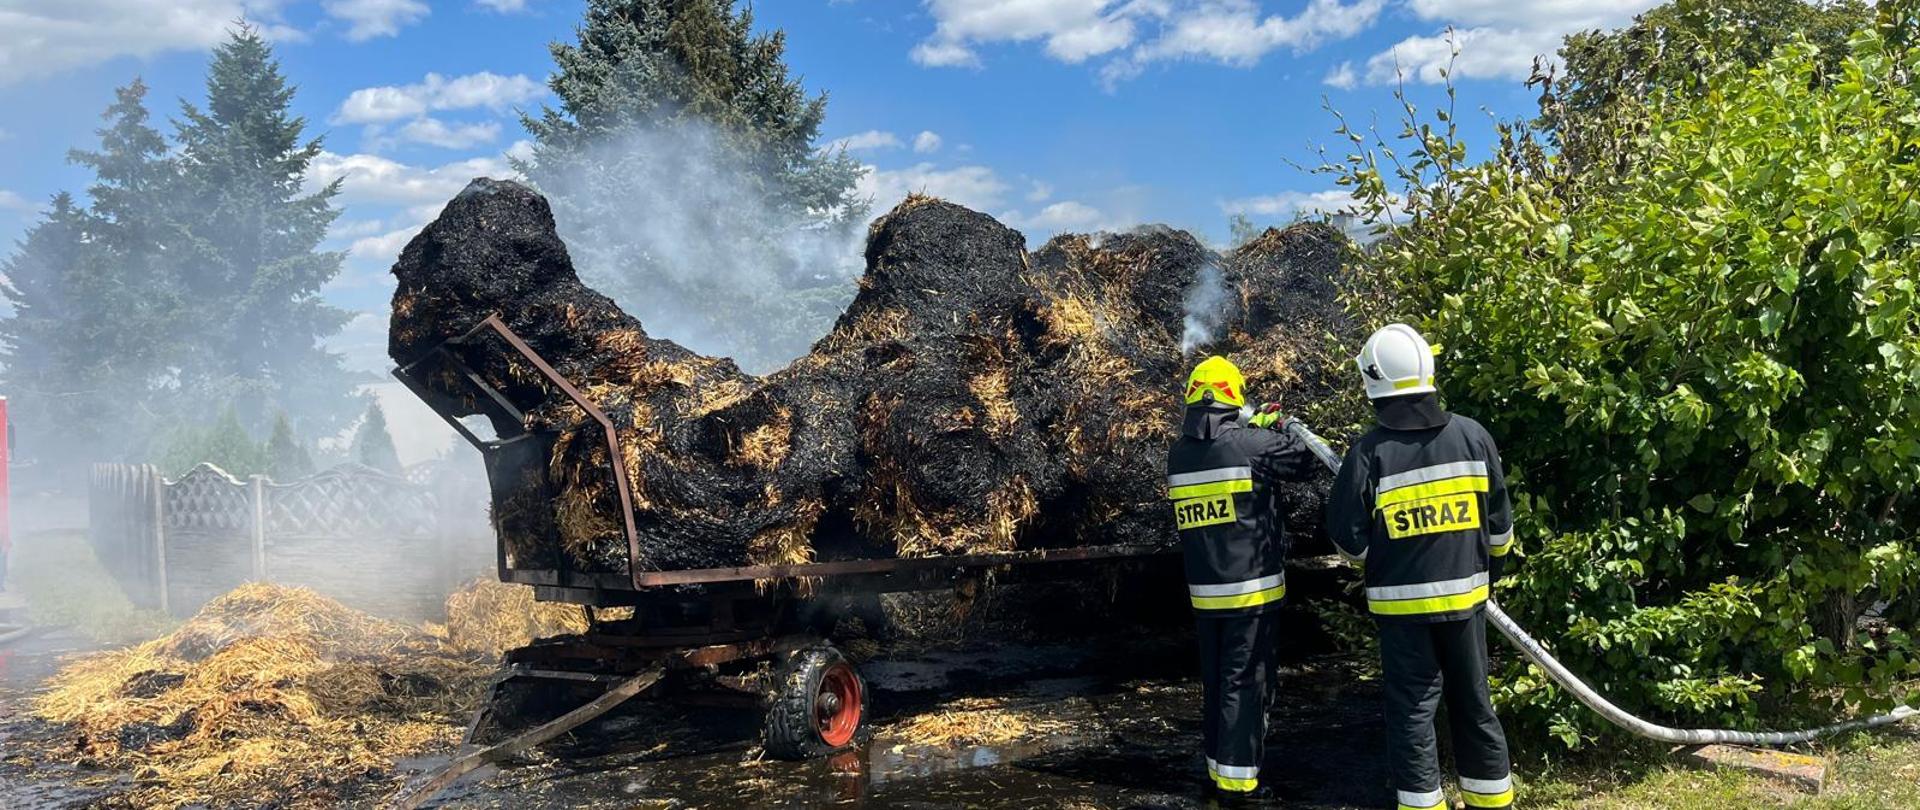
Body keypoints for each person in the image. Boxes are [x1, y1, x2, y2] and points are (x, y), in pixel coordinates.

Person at [1326, 324, 1515, 810]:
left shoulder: (1369, 453)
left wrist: (1383, 557)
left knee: (1413, 714)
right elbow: (1500, 531)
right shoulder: (1474, 437)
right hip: (1467, 605)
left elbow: (1347, 539)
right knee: (1474, 707)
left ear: (1374, 384)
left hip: (1402, 611)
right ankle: (1492, 803)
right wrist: (1480, 570)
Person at [1166, 355, 1324, 803]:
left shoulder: (1179, 454)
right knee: (1246, 683)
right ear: (1234, 398)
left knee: (1217, 684)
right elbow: (1305, 461)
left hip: (1205, 593)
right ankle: (1240, 787)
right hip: (1250, 592)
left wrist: (1258, 429)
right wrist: (1282, 429)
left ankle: (1217, 770)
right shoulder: (1249, 446)